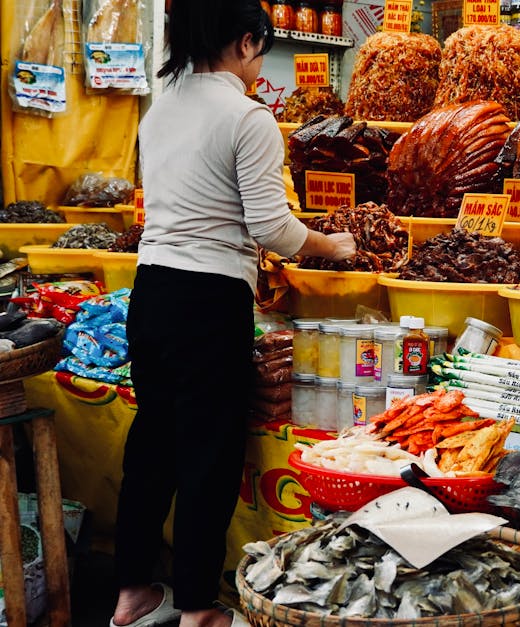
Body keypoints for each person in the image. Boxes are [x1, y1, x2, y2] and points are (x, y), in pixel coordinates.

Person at [109, 2, 355, 626]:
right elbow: (272, 227)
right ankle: (198, 608)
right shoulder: (248, 117)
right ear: (246, 43)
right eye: (259, 49)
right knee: (208, 453)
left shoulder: (160, 109)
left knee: (153, 444)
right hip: (209, 299)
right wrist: (331, 247)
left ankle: (132, 595)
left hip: (151, 291)